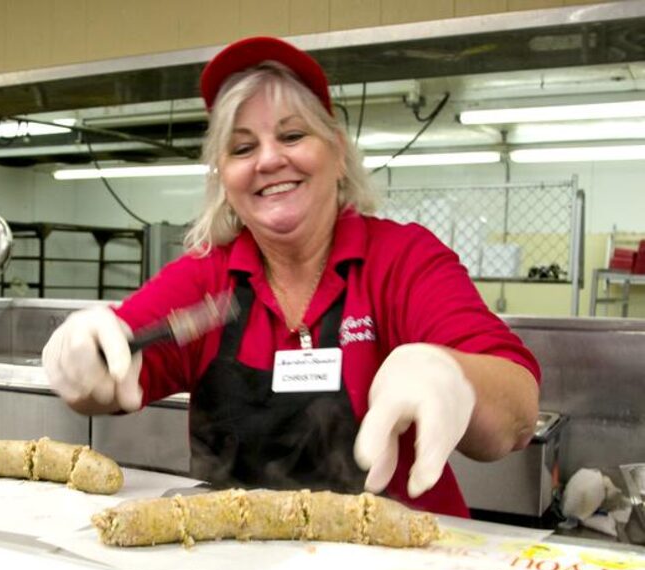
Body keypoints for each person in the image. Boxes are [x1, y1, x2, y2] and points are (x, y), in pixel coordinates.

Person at [41, 36, 541, 518]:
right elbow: (109, 374)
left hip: (396, 562)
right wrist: (79, 364)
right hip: (235, 562)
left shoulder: (401, 260)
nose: (268, 159)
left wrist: (455, 378)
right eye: (241, 148)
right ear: (223, 176)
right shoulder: (207, 281)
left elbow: (516, 413)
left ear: (338, 151)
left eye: (292, 135)